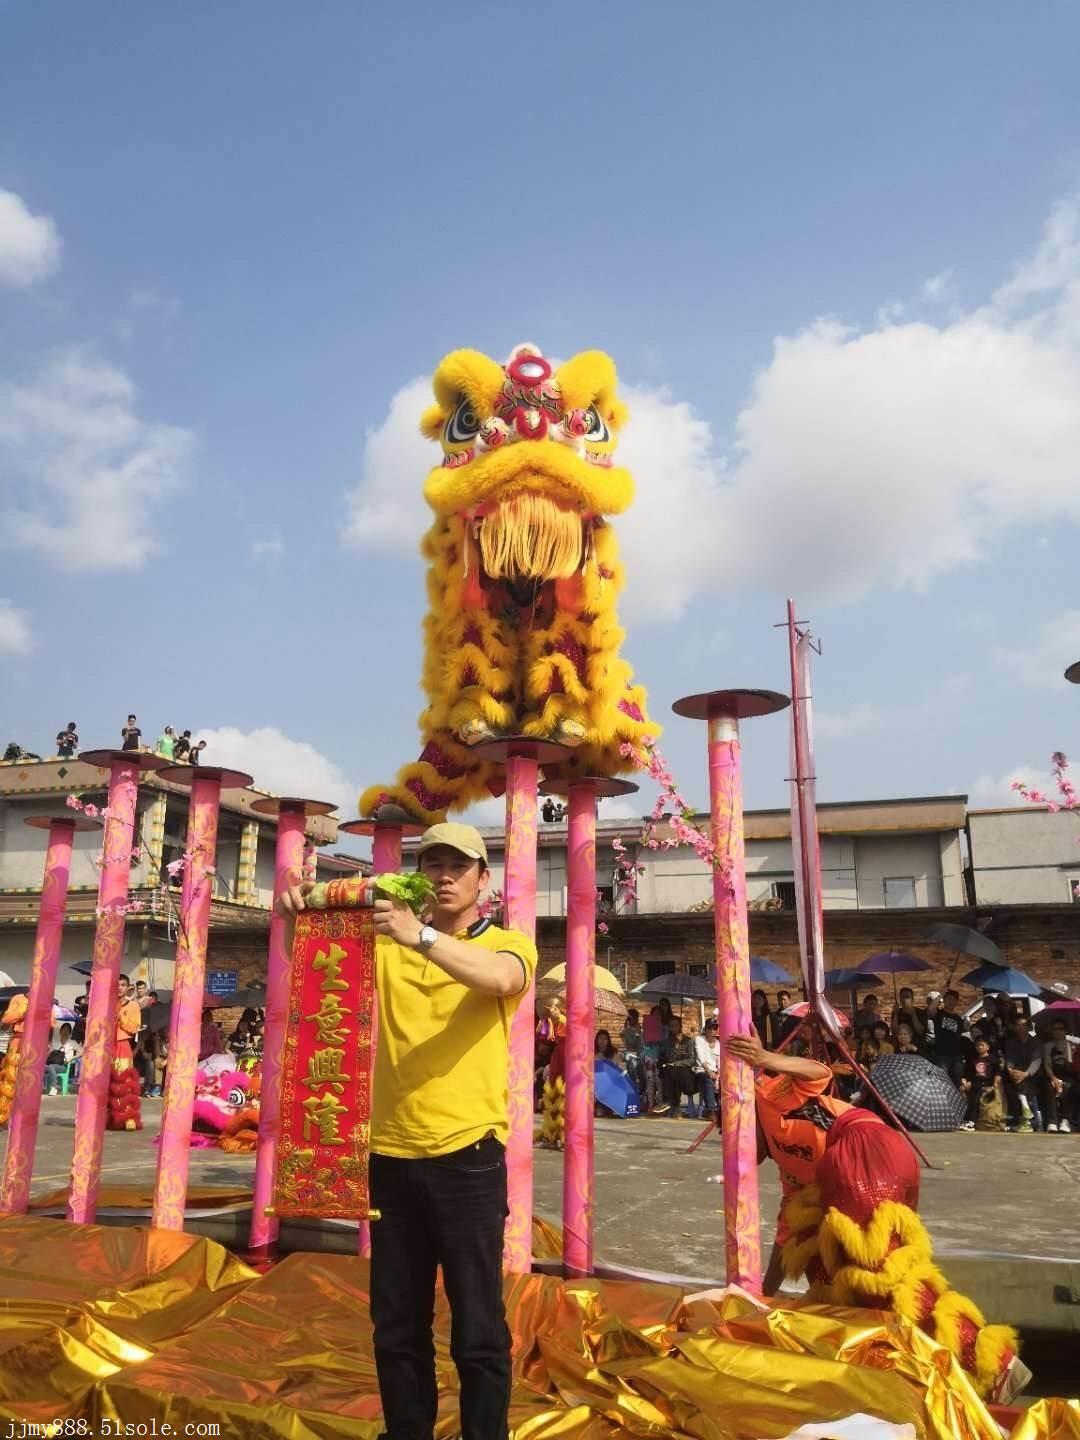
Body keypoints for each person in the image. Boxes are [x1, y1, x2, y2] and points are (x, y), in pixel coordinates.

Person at [277, 820, 536, 1440]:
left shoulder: (507, 942)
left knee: (478, 1327)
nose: (445, 876)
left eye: (459, 866)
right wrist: (293, 915)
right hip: (387, 1157)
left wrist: (418, 934)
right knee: (396, 1325)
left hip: (467, 1157)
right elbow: (317, 967)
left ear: (482, 879)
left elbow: (501, 979)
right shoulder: (384, 944)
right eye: (434, 865)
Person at [725, 1031, 852, 1294]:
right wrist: (761, 1297)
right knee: (795, 1238)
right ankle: (766, 1295)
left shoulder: (773, 1091)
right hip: (808, 1180)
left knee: (859, 1245)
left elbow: (819, 1072)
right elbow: (784, 1237)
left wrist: (765, 1058)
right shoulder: (738, 1114)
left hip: (856, 1159)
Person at [1003, 1012, 1044, 1132]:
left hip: (1032, 1074)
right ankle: (1025, 1118)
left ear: (1029, 1027)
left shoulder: (1036, 1043)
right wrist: (1010, 1070)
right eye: (1018, 1025)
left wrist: (1025, 1074)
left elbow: (1036, 1062)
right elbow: (1009, 1059)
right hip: (1015, 1073)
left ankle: (1026, 1117)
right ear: (1015, 1027)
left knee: (1024, 1084)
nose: (1021, 1028)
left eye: (1024, 1025)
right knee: (1010, 1087)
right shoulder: (1010, 1042)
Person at [960, 1033, 1005, 1130]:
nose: (979, 1047)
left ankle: (971, 1121)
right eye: (977, 1045)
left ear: (988, 1047)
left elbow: (998, 1073)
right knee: (967, 1094)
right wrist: (965, 1082)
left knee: (977, 1096)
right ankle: (965, 1119)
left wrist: (995, 1083)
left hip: (987, 1085)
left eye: (982, 1045)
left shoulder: (993, 1059)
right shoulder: (973, 1059)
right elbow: (967, 1074)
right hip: (975, 1083)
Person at [1042, 1019, 1078, 1134]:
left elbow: (1072, 1067)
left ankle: (1065, 1120)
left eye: (1060, 1029)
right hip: (1054, 1075)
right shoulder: (1048, 1046)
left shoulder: (1072, 1044)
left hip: (1069, 1075)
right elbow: (1047, 1065)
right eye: (1055, 1029)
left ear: (1065, 1030)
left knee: (1067, 1087)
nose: (1057, 1031)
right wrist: (1053, 1078)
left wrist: (1068, 1054)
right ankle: (1052, 1121)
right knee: (1049, 1087)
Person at [932, 990, 969, 1086]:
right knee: (942, 1082)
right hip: (941, 1055)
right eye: (949, 999)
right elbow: (931, 1009)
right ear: (944, 1000)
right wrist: (941, 993)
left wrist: (966, 1028)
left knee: (958, 1082)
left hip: (956, 1055)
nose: (951, 1001)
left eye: (954, 999)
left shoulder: (958, 1019)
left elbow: (959, 1036)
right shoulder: (939, 1014)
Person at [43, 1022, 81, 1094]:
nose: (65, 1032)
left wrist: (72, 1058)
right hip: (51, 1063)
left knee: (51, 1067)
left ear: (70, 1033)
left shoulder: (72, 1043)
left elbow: (82, 1051)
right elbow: (49, 1054)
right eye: (63, 1030)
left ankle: (54, 1087)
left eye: (67, 1031)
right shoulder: (55, 1042)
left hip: (63, 1065)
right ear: (60, 1031)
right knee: (43, 1066)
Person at [694, 1017, 721, 1117]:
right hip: (702, 1070)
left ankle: (721, 1107)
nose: (712, 1030)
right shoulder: (699, 1039)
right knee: (708, 1078)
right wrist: (710, 1072)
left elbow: (720, 1061)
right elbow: (701, 1058)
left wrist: (718, 1073)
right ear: (706, 1029)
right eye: (710, 1028)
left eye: (714, 1028)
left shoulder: (719, 1044)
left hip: (716, 1071)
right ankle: (710, 1110)